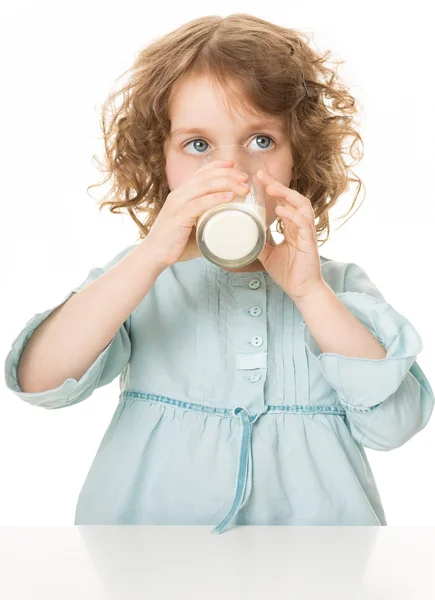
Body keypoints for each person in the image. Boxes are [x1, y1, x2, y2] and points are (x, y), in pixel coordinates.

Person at [4, 14, 435, 535]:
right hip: (152, 555)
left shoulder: (335, 288)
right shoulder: (140, 279)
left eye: (260, 141)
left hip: (314, 563)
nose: (234, 173)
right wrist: (149, 258)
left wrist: (309, 292)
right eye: (198, 145)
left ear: (298, 158)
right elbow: (38, 381)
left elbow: (395, 425)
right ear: (160, 163)